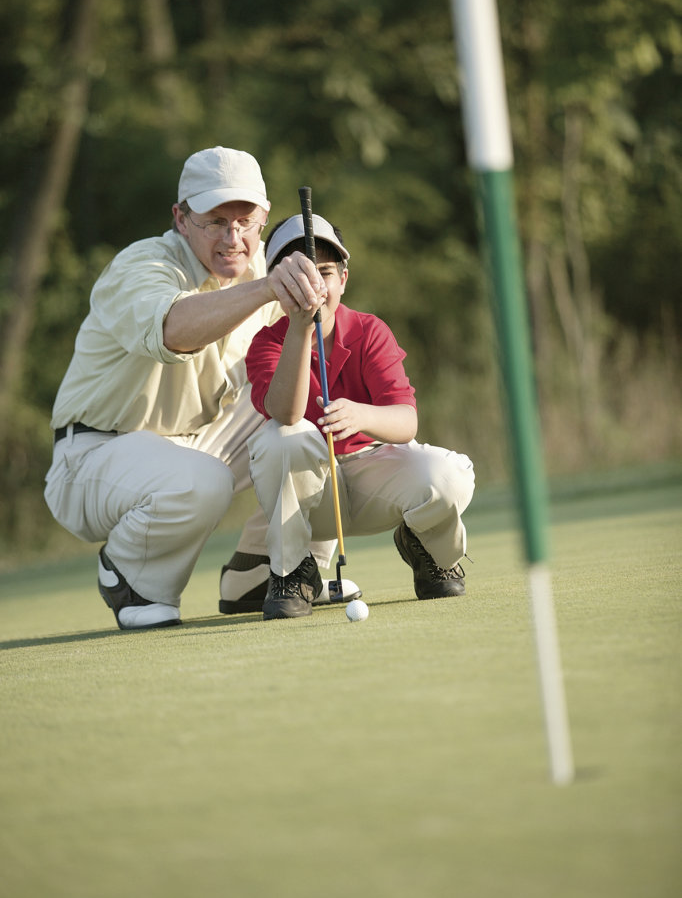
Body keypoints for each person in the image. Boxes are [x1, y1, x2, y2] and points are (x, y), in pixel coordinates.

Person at [44, 147, 336, 630]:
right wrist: (266, 289)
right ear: (181, 219)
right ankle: (131, 577)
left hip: (198, 441)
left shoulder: (266, 264)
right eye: (215, 221)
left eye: (246, 222)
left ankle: (267, 569)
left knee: (314, 416)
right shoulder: (141, 265)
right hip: (92, 459)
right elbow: (174, 329)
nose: (233, 237)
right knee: (201, 481)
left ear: (264, 219)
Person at [244, 213, 476, 620]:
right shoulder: (266, 343)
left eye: (325, 273)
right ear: (277, 286)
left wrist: (360, 414)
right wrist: (299, 328)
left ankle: (426, 543)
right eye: (298, 276)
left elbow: (406, 423)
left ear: (343, 279)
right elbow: (285, 412)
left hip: (373, 476)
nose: (314, 285)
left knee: (448, 475)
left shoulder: (369, 330)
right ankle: (293, 572)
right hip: (309, 497)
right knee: (280, 437)